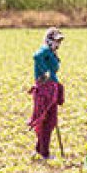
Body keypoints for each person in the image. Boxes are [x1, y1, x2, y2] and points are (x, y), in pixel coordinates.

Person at [29, 28, 65, 160]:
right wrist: (45, 73)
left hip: (51, 89)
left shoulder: (51, 52)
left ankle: (41, 150)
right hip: (45, 90)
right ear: (49, 40)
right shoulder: (45, 50)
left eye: (59, 41)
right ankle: (44, 152)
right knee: (45, 121)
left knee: (49, 121)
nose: (58, 44)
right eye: (56, 41)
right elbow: (36, 56)